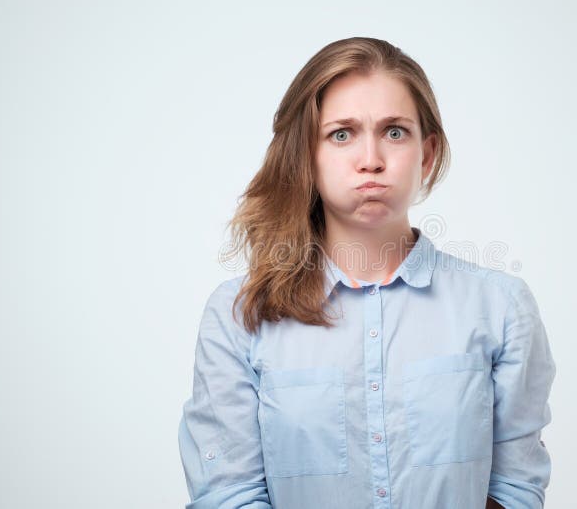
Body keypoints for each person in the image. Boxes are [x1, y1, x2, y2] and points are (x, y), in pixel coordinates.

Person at [178, 36, 556, 509]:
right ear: (307, 157)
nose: (371, 159)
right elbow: (228, 495)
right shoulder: (239, 316)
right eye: (342, 133)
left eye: (395, 132)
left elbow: (515, 488)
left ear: (428, 154)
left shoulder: (501, 308)